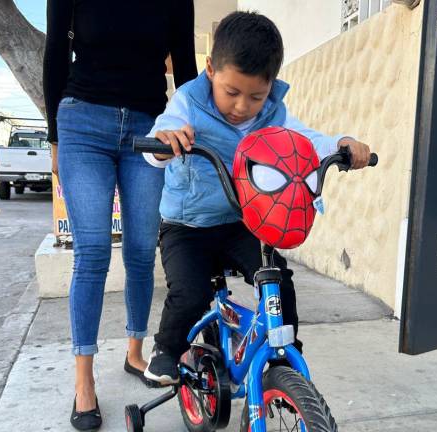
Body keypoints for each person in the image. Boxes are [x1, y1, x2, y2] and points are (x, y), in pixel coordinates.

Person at [142, 11, 372, 385]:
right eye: (231, 92)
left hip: (239, 223)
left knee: (278, 279)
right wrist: (167, 141)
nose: (242, 106)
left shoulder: (273, 113)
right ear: (211, 69)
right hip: (187, 227)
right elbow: (158, 138)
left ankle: (284, 354)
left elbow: (305, 140)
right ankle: (166, 350)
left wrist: (341, 145)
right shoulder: (188, 100)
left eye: (256, 96)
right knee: (191, 293)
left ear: (271, 86)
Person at [43, 1, 197, 429]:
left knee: (142, 249)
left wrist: (194, 135)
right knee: (91, 252)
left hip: (151, 126)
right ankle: (84, 381)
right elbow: (56, 51)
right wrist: (55, 139)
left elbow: (185, 66)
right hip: (82, 121)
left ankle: (134, 351)